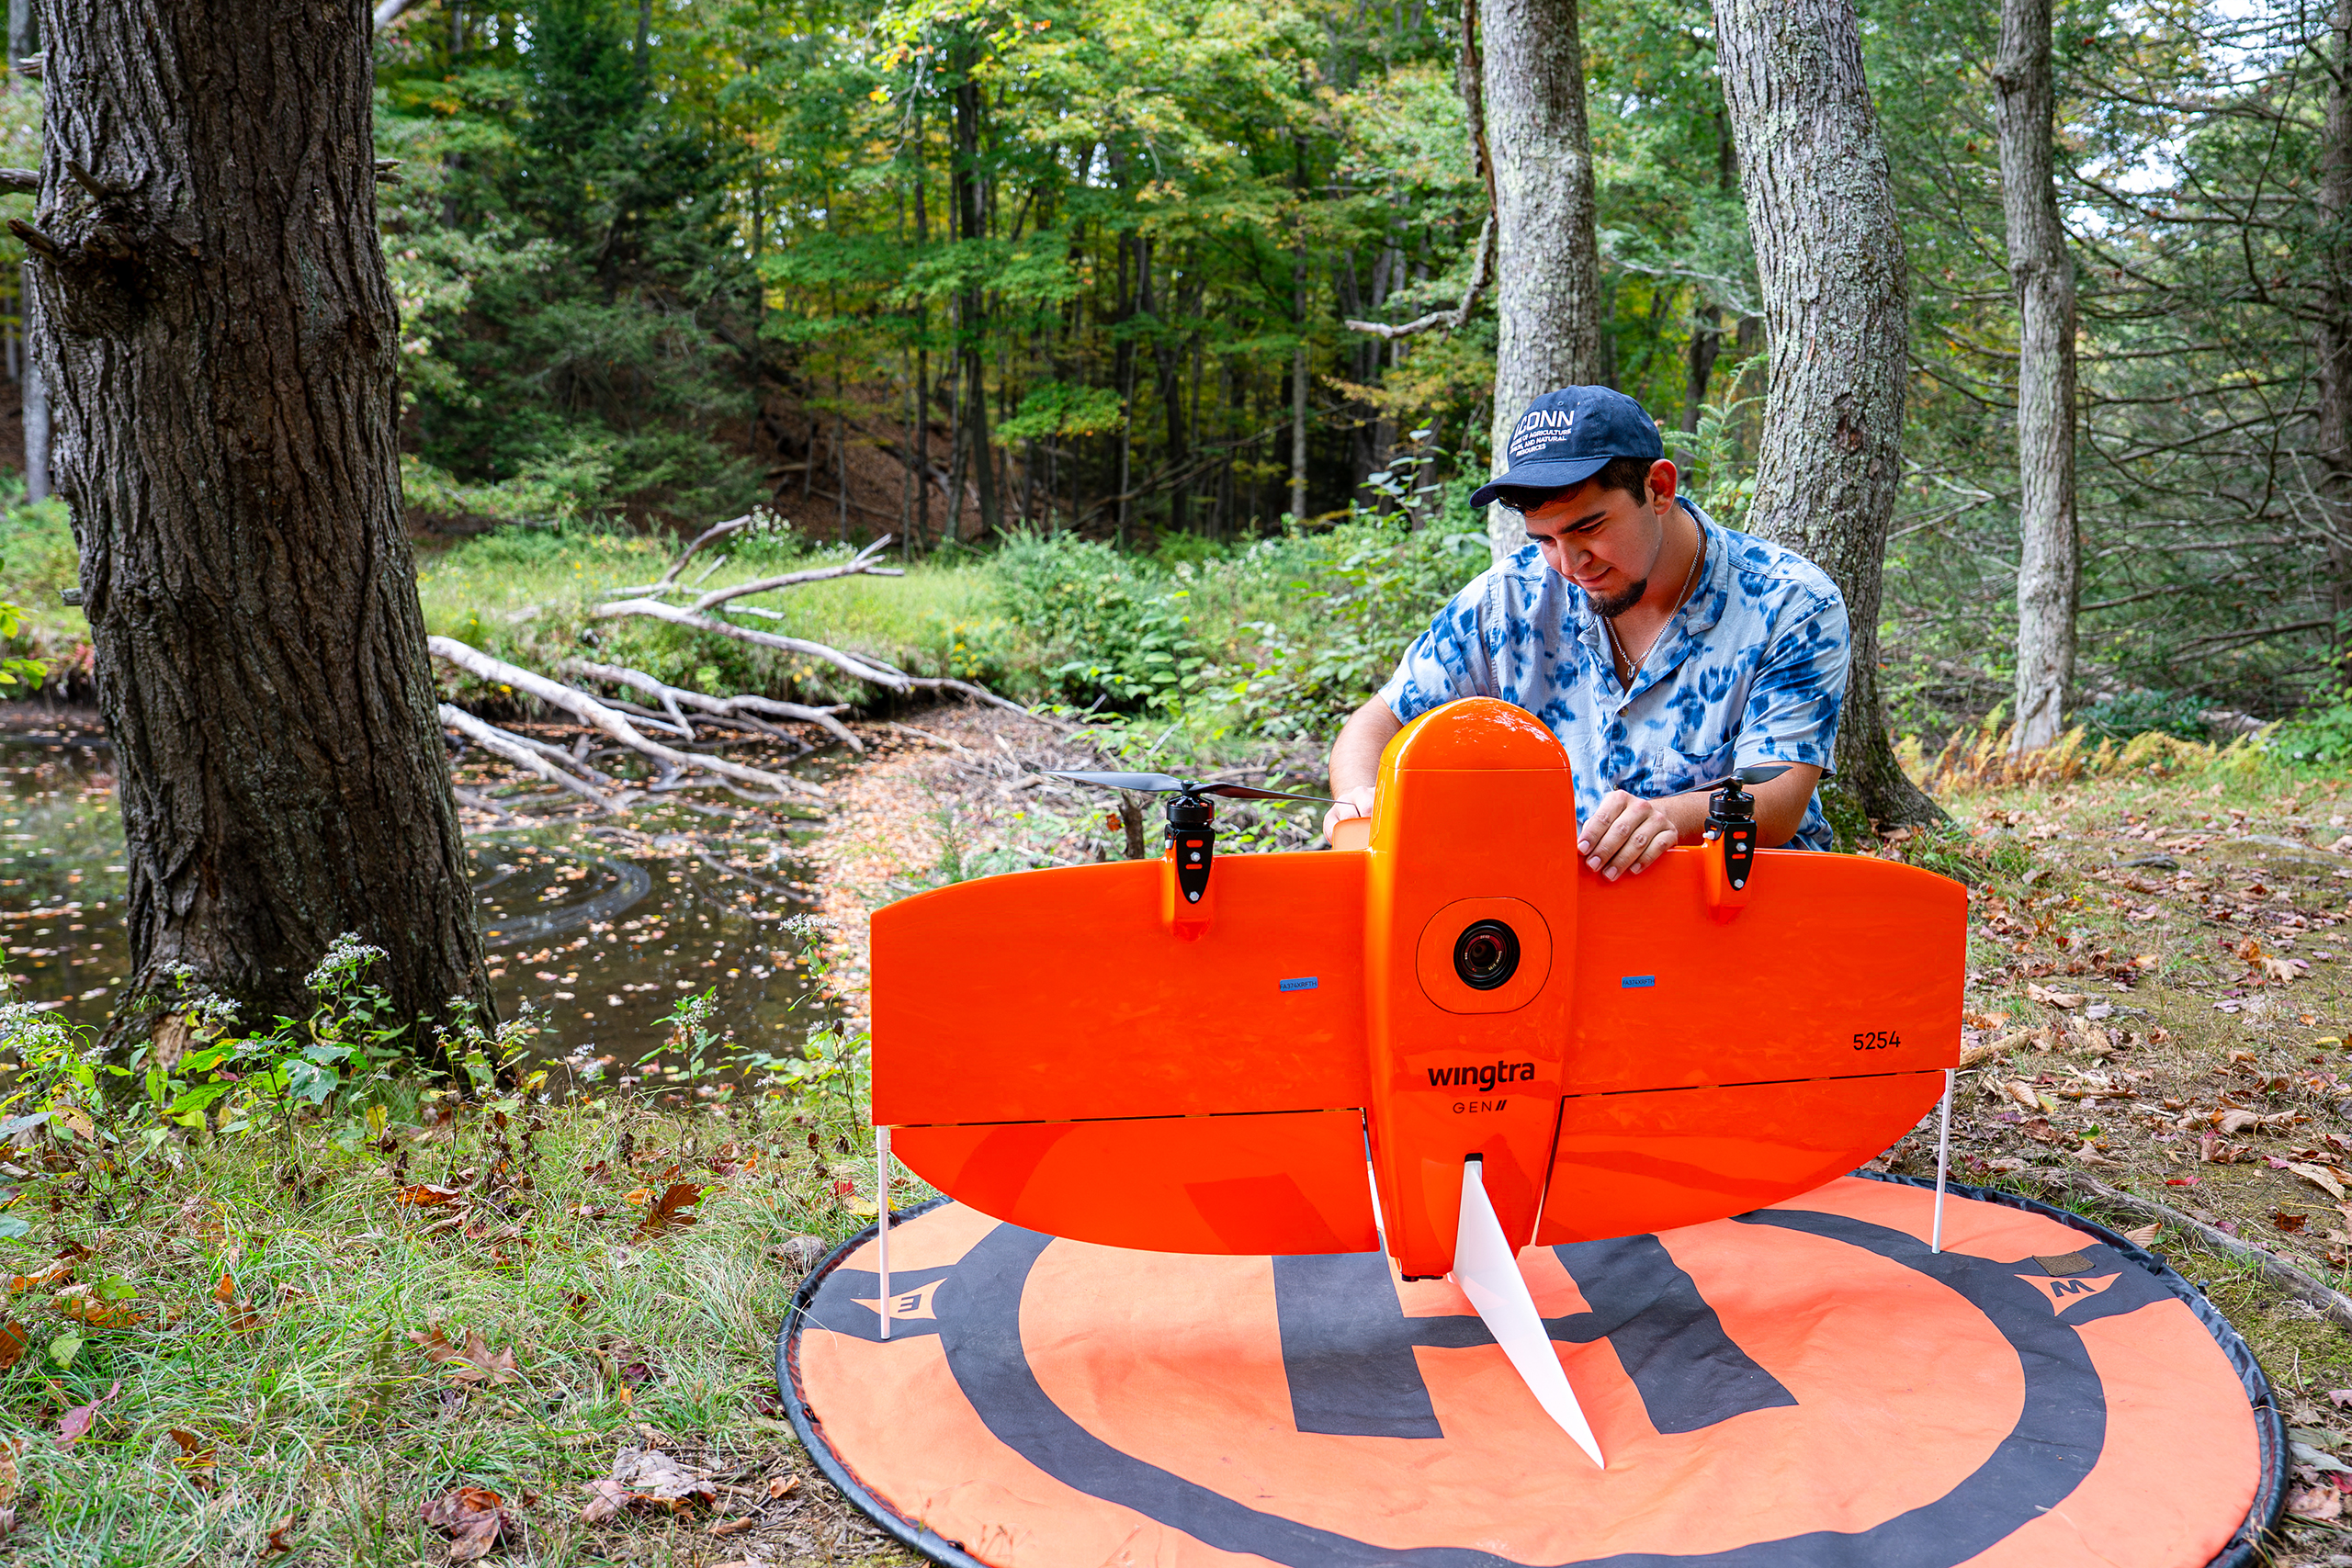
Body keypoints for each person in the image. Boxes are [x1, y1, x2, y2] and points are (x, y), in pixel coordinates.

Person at [1322, 385, 1851, 879]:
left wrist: (1670, 818)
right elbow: (1380, 721)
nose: (1570, 564)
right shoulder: (1511, 599)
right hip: (1556, 916)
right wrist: (1359, 799)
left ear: (1658, 488)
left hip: (1740, 904)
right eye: (1545, 540)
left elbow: (1779, 799)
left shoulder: (1788, 602)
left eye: (1589, 528)